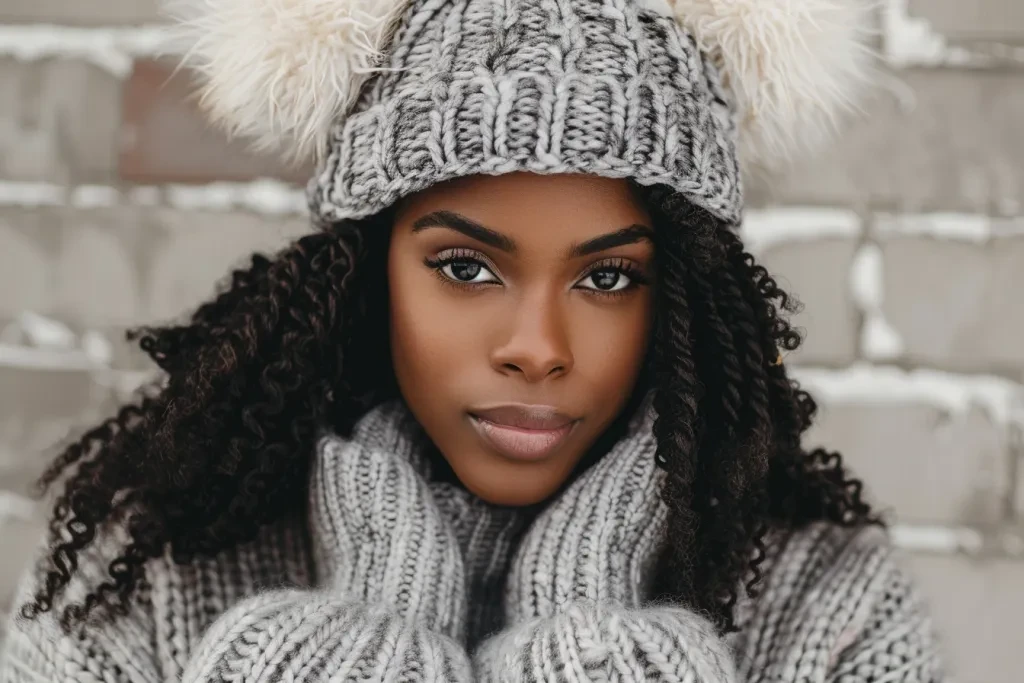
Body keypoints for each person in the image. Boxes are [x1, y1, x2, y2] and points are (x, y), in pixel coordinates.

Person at [0, 0, 946, 681]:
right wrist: (364, 638)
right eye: (464, 267)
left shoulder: (837, 611)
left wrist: (591, 645)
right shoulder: (136, 579)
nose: (536, 346)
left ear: (687, 301)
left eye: (608, 277)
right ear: (363, 272)